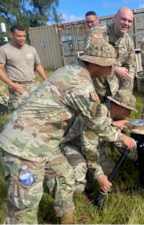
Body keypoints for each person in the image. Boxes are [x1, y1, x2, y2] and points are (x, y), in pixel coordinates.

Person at [0, 39, 135, 225]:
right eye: (111, 65)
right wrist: (121, 138)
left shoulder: (72, 72)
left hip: (45, 143)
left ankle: (67, 220)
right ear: (98, 63)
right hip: (24, 147)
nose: (112, 70)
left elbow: (94, 113)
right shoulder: (80, 83)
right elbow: (96, 124)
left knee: (64, 177)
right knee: (24, 208)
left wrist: (112, 122)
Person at [62, 90, 138, 192]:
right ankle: (79, 196)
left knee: (110, 175)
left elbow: (118, 141)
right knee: (78, 178)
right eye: (130, 110)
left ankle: (90, 174)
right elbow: (88, 147)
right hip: (75, 147)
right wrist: (99, 175)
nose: (130, 114)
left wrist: (136, 157)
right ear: (121, 108)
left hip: (96, 148)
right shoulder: (94, 116)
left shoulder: (113, 117)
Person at [85, 7, 135, 102]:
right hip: (95, 89)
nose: (126, 23)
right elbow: (90, 58)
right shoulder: (98, 33)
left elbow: (130, 70)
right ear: (115, 18)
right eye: (123, 19)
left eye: (129, 21)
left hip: (114, 90)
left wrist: (124, 96)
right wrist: (114, 68)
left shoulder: (129, 43)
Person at [0, 25, 47, 111]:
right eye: (19, 36)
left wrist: (47, 80)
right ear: (11, 35)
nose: (22, 38)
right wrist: (12, 84)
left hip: (33, 85)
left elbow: (38, 66)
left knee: (38, 112)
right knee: (20, 114)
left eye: (24, 36)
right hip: (18, 87)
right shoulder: (4, 50)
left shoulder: (31, 49)